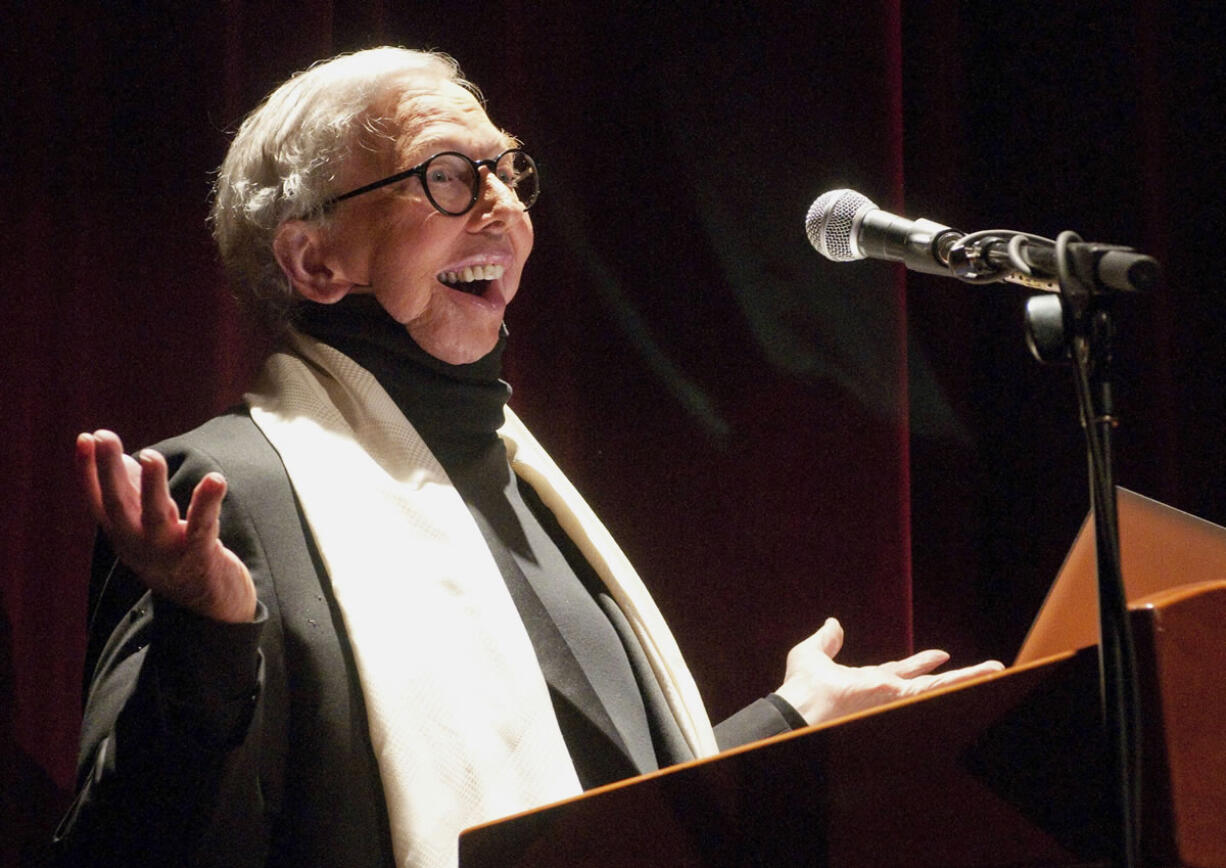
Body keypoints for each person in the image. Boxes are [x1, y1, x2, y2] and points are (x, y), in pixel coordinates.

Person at [53, 47, 1002, 868]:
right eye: (448, 177)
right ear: (314, 262)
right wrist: (206, 641)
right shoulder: (234, 495)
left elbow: (582, 820)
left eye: (507, 173)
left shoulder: (519, 473)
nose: (500, 207)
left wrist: (787, 725)